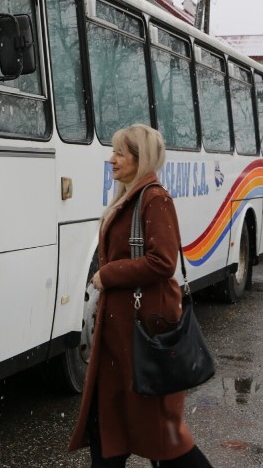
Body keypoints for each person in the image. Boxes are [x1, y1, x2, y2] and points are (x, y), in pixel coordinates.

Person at [68, 124, 212, 467]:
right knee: (109, 429)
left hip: (141, 335)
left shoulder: (154, 198)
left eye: (120, 152)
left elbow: (162, 262)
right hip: (121, 335)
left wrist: (107, 275)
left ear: (139, 157)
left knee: (165, 439)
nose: (112, 159)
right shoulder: (130, 195)